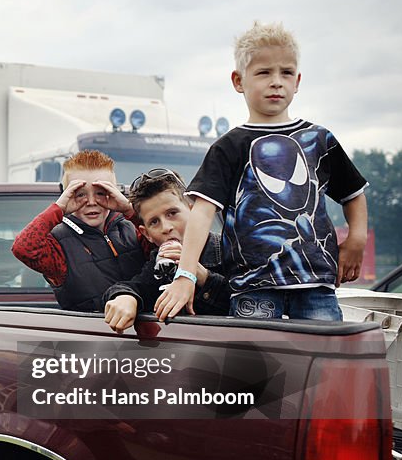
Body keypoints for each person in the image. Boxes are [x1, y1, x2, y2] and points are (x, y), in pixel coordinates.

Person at [155, 21, 368, 322]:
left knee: (322, 366)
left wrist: (356, 241)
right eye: (264, 72)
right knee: (256, 369)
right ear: (238, 80)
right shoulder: (228, 147)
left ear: (298, 80)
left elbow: (353, 194)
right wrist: (185, 275)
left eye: (286, 72)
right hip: (252, 289)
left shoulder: (320, 140)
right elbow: (202, 214)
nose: (277, 82)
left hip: (316, 286)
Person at [12, 149, 145, 311]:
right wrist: (59, 208)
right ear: (66, 195)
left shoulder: (132, 228)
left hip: (151, 330)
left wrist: (129, 210)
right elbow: (23, 248)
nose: (91, 201)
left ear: (114, 192)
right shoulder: (58, 245)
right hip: (91, 332)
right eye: (80, 194)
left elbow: (162, 242)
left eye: (101, 193)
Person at [103, 169, 230, 333]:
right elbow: (137, 286)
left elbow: (246, 304)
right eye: (154, 222)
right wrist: (126, 298)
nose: (166, 227)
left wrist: (201, 275)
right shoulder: (159, 260)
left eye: (172, 213)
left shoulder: (230, 250)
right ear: (146, 234)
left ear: (193, 211)